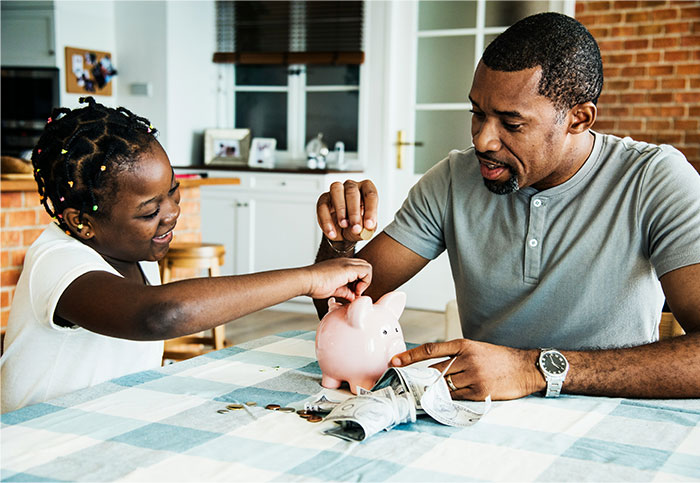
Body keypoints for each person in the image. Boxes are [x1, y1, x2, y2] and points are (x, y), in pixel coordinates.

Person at [314, 12, 700, 401]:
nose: (483, 140)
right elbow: (339, 310)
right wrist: (340, 244)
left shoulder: (655, 179)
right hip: (481, 417)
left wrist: (533, 370)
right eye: (477, 114)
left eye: (511, 124)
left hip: (612, 416)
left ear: (578, 119)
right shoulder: (452, 179)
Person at [1, 97, 372, 413]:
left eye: (173, 192)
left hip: (105, 422)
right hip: (35, 437)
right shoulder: (56, 260)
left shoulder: (135, 253)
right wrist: (306, 279)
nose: (172, 212)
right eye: (149, 211)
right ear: (82, 222)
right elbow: (159, 314)